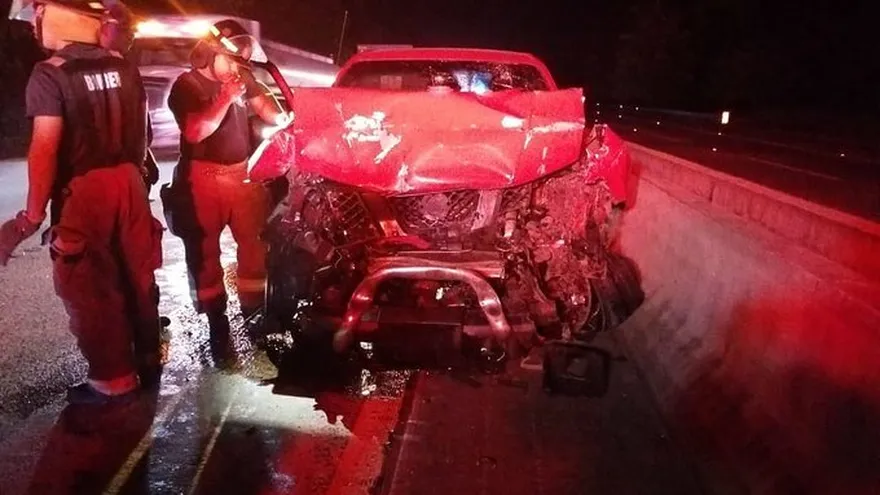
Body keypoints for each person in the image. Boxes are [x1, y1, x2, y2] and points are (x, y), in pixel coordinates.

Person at [0, 0, 164, 405]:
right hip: (128, 183)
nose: (35, 24)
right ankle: (147, 357)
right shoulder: (122, 64)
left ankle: (113, 382)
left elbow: (44, 148)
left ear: (60, 15)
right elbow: (143, 137)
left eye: (39, 13)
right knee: (138, 276)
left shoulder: (50, 74)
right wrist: (135, 184)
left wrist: (32, 215)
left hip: (84, 191)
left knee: (89, 287)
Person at [163, 19, 282, 364]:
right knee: (204, 254)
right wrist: (226, 98)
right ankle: (216, 321)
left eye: (243, 61)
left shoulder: (243, 79)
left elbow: (269, 111)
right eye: (233, 59)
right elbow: (196, 131)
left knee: (256, 249)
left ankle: (254, 317)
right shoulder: (186, 86)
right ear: (211, 54)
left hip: (243, 176)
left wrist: (286, 119)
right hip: (202, 179)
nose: (238, 67)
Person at [98, 0, 160, 193]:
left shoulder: (127, 69)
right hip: (110, 175)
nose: (132, 35)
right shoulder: (114, 69)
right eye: (125, 28)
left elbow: (142, 128)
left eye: (132, 30)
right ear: (104, 28)